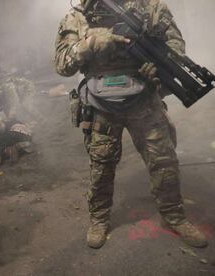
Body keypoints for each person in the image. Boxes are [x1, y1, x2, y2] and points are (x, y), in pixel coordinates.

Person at [55, 0, 207, 249]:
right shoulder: (77, 16)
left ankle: (174, 216)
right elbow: (62, 64)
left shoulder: (150, 7)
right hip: (101, 103)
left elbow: (175, 45)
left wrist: (158, 67)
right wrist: (90, 44)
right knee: (102, 164)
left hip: (144, 98)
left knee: (163, 159)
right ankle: (99, 219)